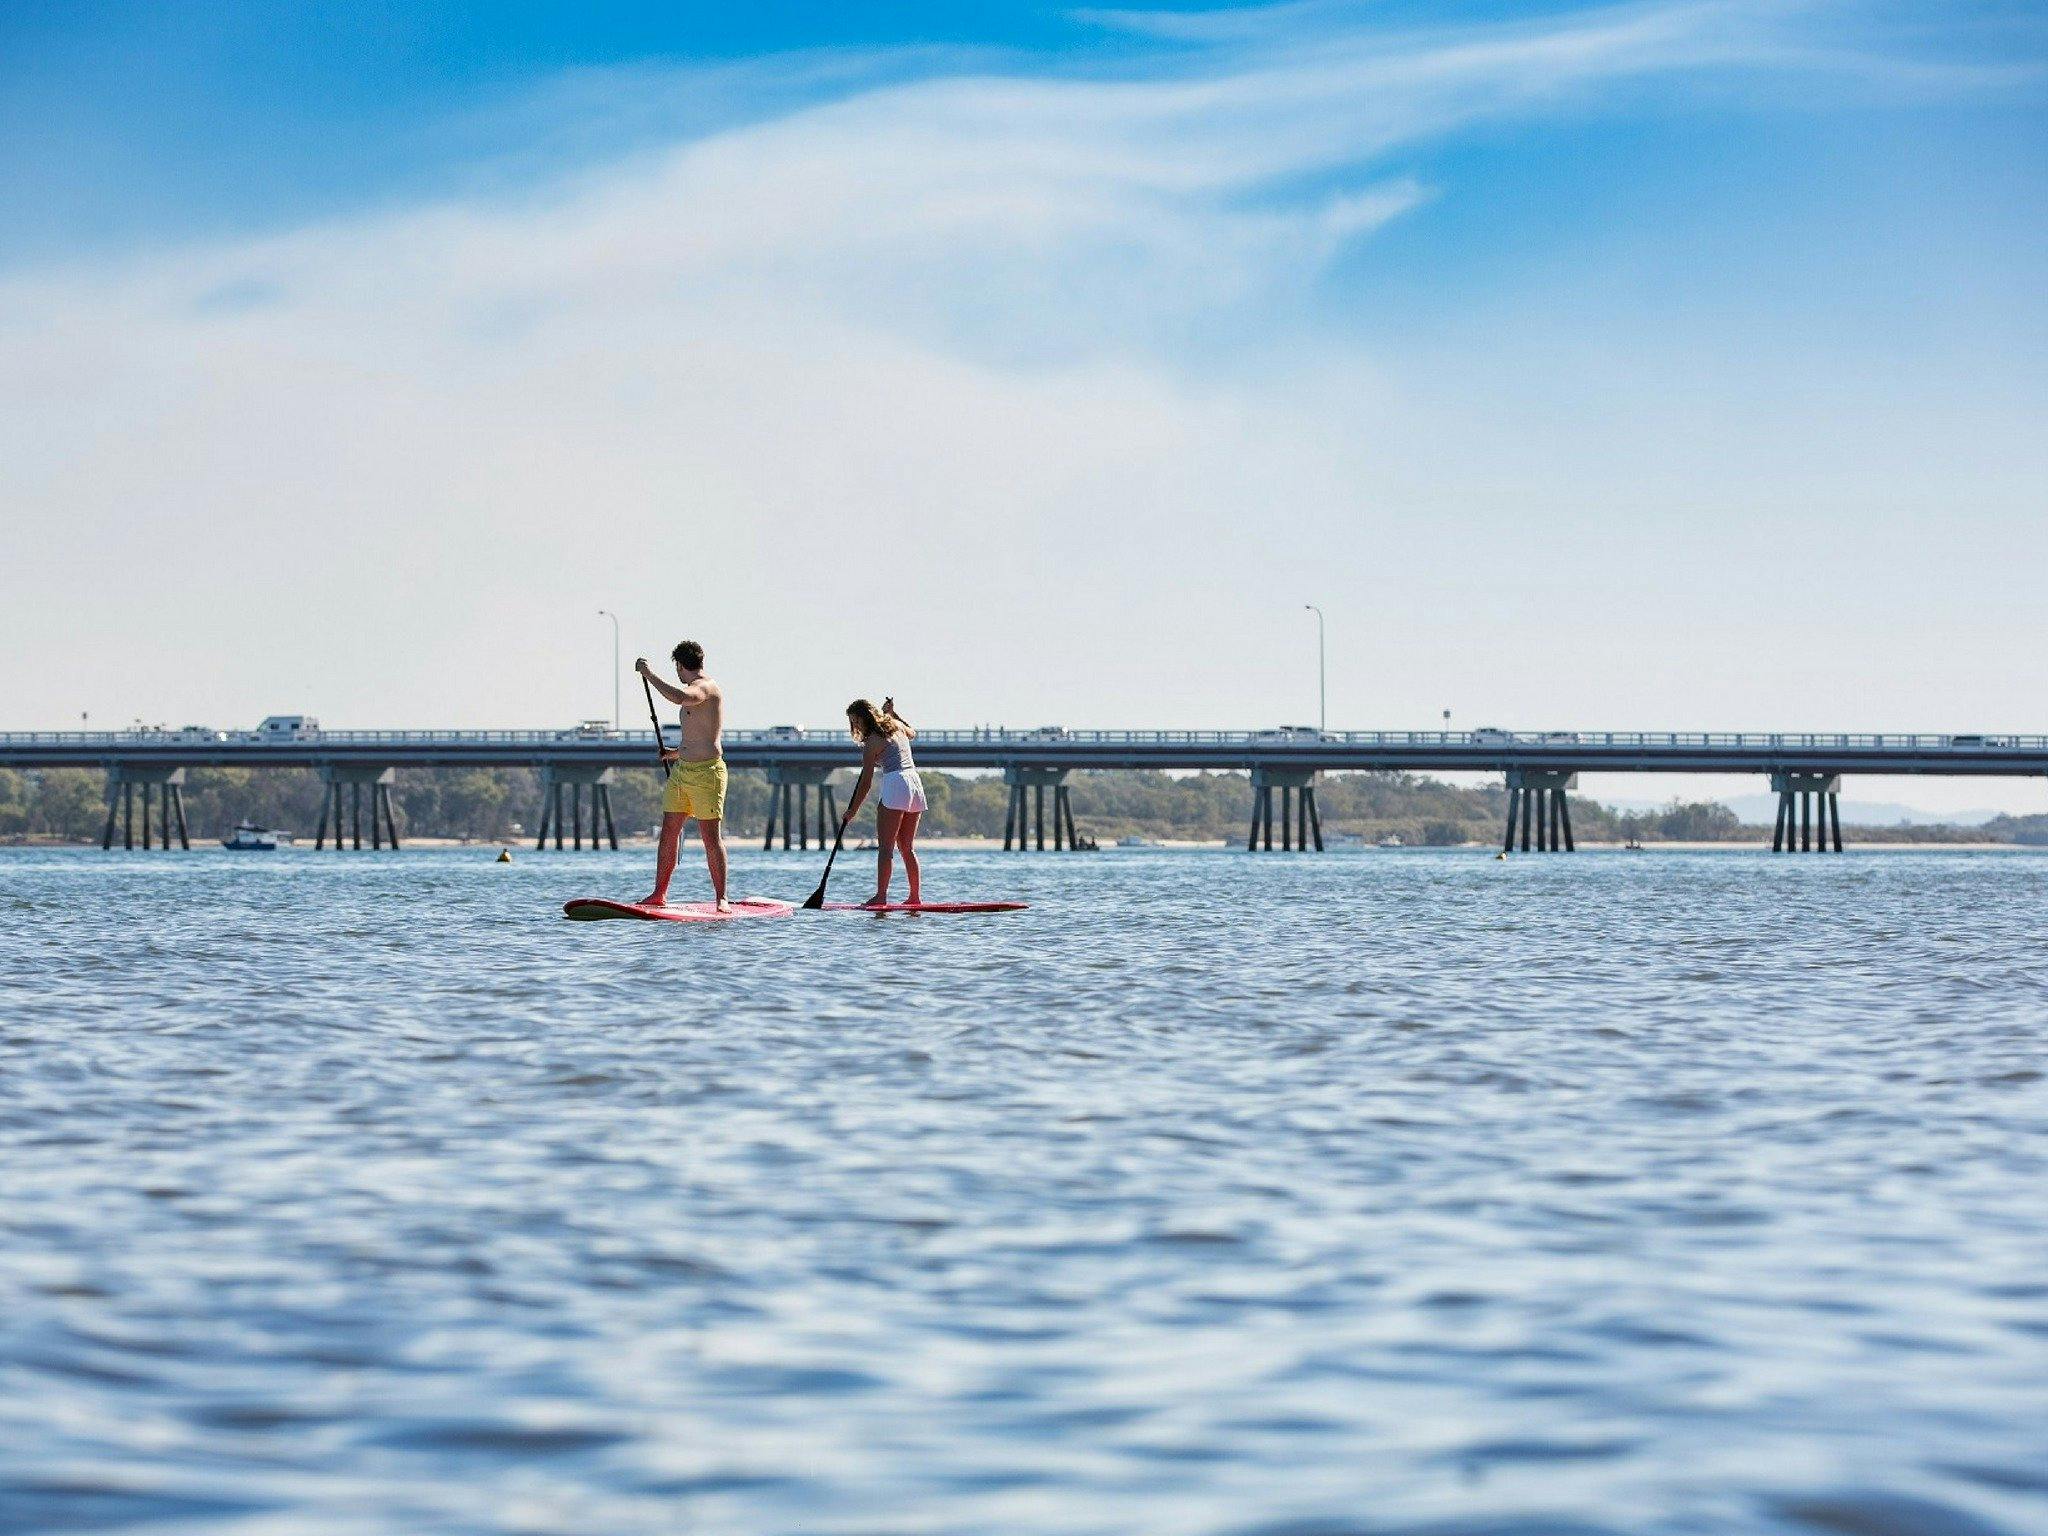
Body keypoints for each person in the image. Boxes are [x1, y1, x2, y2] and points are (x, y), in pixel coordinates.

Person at [634, 641, 728, 911]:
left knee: (710, 836)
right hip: (682, 772)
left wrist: (649, 675)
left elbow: (681, 697)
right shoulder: (694, 689)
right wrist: (674, 753)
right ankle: (659, 893)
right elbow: (697, 735)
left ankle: (721, 899)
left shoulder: (704, 688)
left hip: (707, 773)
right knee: (669, 832)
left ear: (678, 665)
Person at [841, 696, 925, 908]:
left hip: (896, 782)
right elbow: (912, 733)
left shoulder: (872, 742)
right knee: (907, 847)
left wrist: (852, 811)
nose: (855, 725)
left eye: (856, 721)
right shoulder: (896, 724)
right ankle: (915, 897)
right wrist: (894, 714)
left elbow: (866, 782)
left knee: (886, 848)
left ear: (866, 717)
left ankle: (881, 897)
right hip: (915, 783)